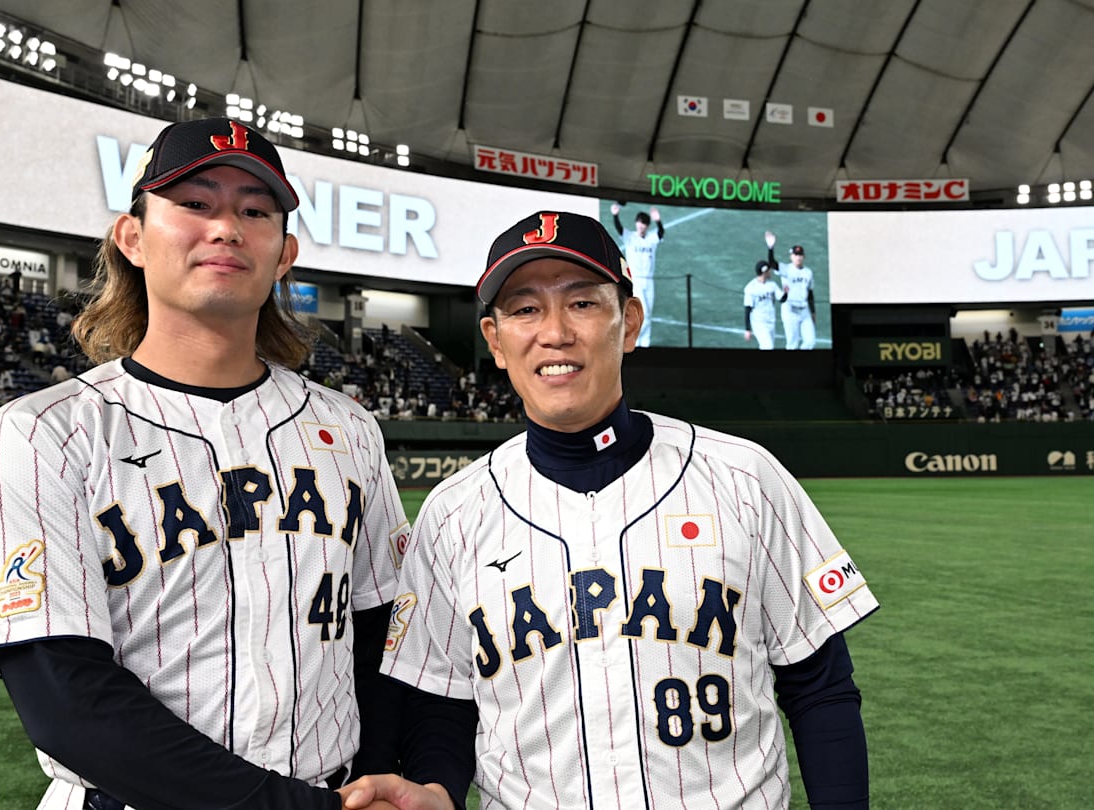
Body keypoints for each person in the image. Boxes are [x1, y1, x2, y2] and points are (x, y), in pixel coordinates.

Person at [0, 117, 415, 810]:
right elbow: (65, 699)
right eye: (195, 204)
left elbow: (380, 634)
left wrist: (370, 782)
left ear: (284, 254)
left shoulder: (348, 428)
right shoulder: (43, 433)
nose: (226, 228)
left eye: (254, 212)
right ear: (132, 238)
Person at [345, 211, 879, 810]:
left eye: (582, 303)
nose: (554, 332)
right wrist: (438, 787)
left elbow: (819, 687)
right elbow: (442, 699)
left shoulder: (746, 479)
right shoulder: (452, 515)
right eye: (525, 309)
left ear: (629, 323)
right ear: (495, 341)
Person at [609, 202, 663, 347]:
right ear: (636, 223)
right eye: (639, 223)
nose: (641, 226)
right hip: (636, 281)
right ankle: (634, 342)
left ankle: (645, 344)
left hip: (649, 281)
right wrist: (615, 215)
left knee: (648, 313)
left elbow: (660, 233)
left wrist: (658, 221)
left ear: (647, 226)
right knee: (642, 312)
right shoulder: (630, 237)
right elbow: (619, 228)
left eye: (644, 224)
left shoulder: (651, 238)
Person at [766, 231, 817, 350]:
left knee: (810, 342)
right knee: (792, 344)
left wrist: (813, 312)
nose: (798, 257)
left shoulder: (808, 272)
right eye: (795, 255)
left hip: (805, 311)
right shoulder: (786, 269)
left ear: (804, 257)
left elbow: (810, 293)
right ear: (791, 257)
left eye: (800, 255)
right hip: (790, 311)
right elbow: (772, 263)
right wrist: (770, 248)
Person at [742, 257, 784, 350]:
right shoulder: (751, 288)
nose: (771, 272)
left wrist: (787, 292)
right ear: (764, 272)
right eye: (769, 270)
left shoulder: (772, 285)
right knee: (768, 346)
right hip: (759, 323)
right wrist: (748, 329)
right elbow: (747, 309)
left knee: (767, 346)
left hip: (771, 321)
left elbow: (782, 299)